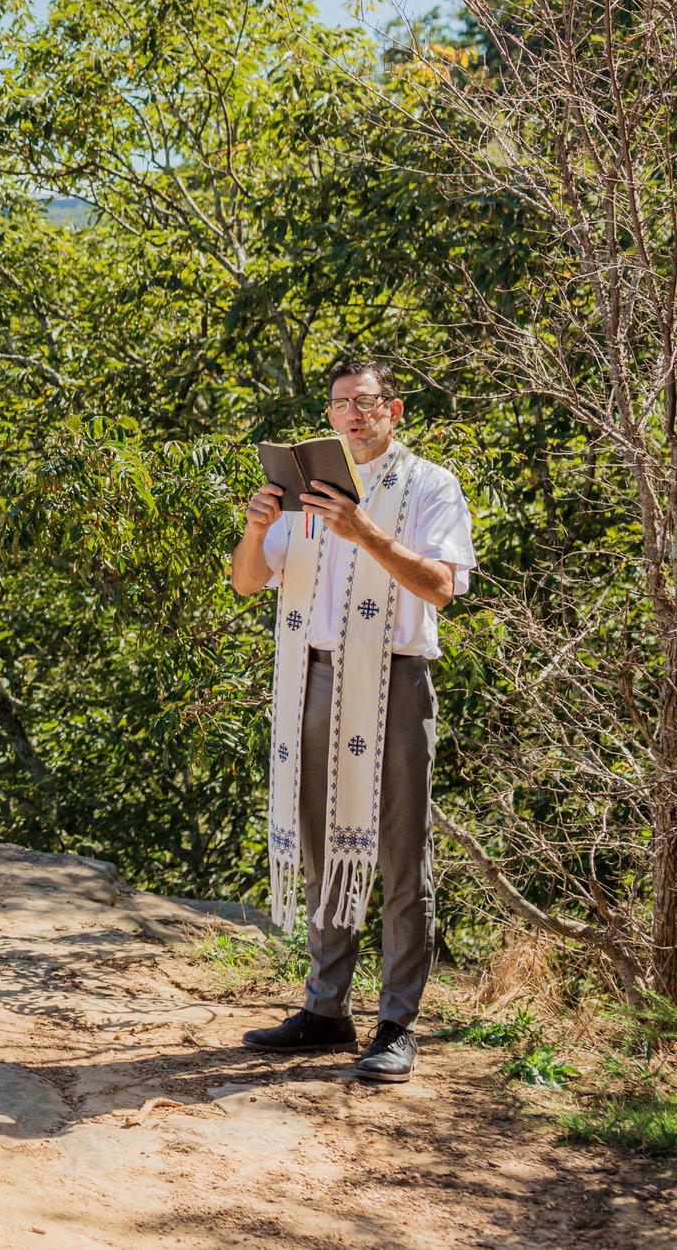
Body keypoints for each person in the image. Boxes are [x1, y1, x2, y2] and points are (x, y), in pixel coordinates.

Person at [228, 358, 477, 1084]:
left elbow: (441, 585)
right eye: (340, 403)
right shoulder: (305, 488)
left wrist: (363, 529)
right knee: (319, 845)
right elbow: (249, 581)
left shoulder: (431, 484)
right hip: (312, 674)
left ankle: (396, 1022)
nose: (351, 414)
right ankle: (325, 1009)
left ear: (392, 411)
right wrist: (256, 526)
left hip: (394, 678)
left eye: (364, 402)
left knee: (401, 854)